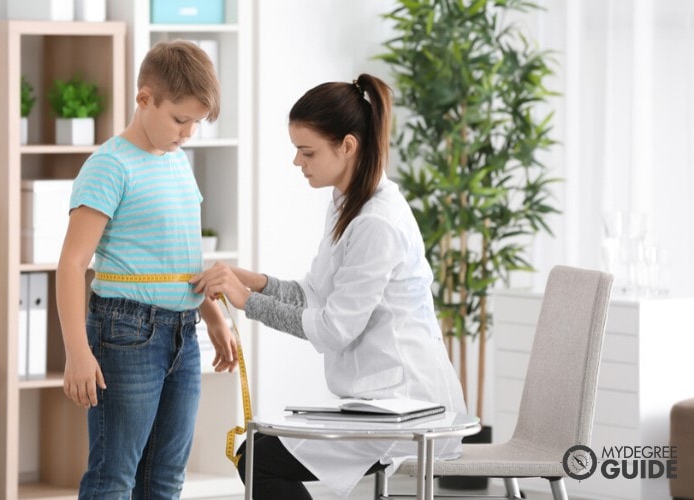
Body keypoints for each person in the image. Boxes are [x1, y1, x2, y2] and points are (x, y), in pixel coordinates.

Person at [191, 73, 467, 499]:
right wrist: (255, 282)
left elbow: (336, 328)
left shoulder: (378, 221)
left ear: (348, 146)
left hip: (408, 405)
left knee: (259, 459)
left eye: (307, 152)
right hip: (376, 402)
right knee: (257, 450)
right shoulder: (346, 202)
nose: (297, 163)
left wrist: (248, 302)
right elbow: (314, 294)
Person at [56, 40, 238, 499]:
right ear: (144, 99)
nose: (188, 132)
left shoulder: (177, 161)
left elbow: (183, 254)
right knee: (114, 476)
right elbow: (72, 262)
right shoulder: (109, 166)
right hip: (125, 332)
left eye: (196, 122)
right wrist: (78, 352)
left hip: (183, 332)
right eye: (180, 119)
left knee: (165, 478)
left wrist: (212, 316)